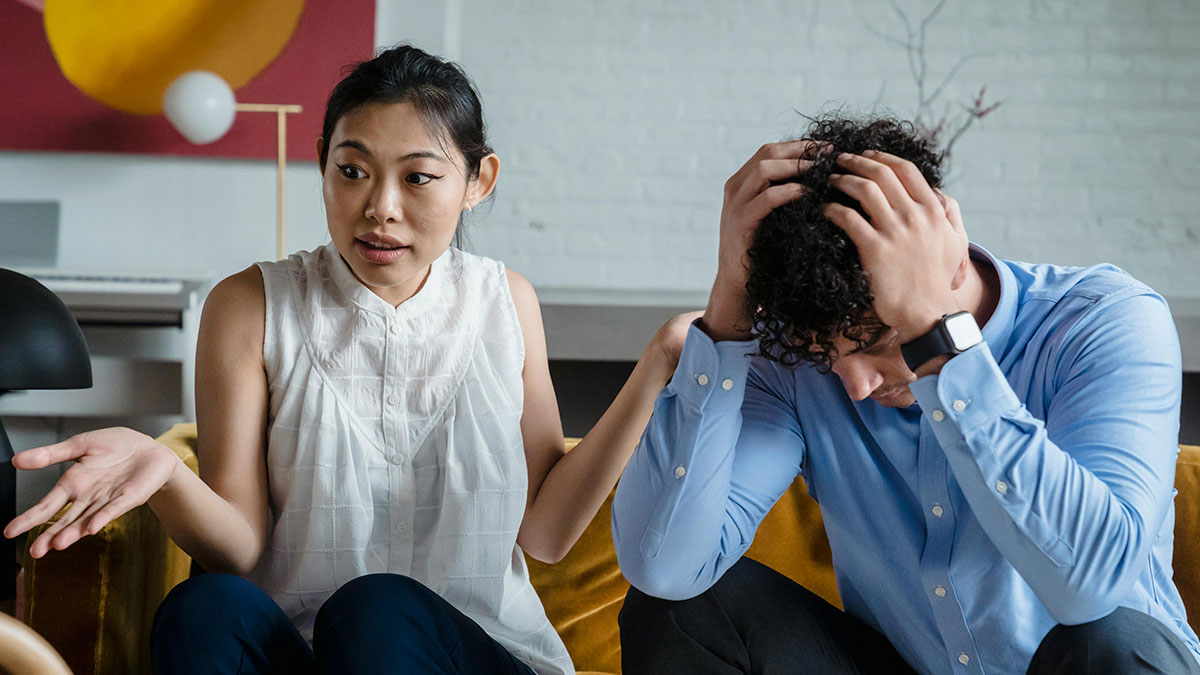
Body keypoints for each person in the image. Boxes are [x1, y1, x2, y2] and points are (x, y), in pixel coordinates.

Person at [4, 45, 691, 675]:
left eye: (418, 177)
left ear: (480, 179)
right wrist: (166, 476)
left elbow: (545, 532)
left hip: (472, 655)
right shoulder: (250, 304)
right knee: (203, 607)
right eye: (352, 171)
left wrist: (659, 362)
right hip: (304, 651)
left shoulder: (504, 301)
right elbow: (242, 551)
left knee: (376, 609)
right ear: (322, 161)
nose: (379, 209)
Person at [611, 115, 1200, 674]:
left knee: (1111, 641)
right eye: (828, 357)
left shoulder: (1103, 320)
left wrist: (937, 338)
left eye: (878, 341)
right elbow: (663, 566)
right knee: (681, 612)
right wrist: (727, 313)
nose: (855, 385)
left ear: (950, 253)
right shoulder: (797, 362)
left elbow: (1092, 588)